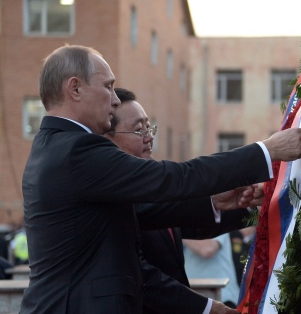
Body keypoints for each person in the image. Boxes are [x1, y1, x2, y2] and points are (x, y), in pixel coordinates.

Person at [20, 45, 301, 314]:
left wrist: (216, 201)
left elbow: (149, 211)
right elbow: (170, 178)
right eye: (108, 86)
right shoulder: (76, 150)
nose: (114, 99)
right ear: (75, 88)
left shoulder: (58, 147)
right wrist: (266, 151)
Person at [104, 88, 255, 314]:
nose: (149, 136)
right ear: (108, 140)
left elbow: (193, 219)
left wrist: (252, 205)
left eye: (149, 127)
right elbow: (140, 276)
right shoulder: (113, 197)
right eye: (138, 130)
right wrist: (207, 308)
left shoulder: (151, 190)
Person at [183, 234, 240, 308]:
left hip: (220, 299)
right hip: (195, 298)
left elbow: (207, 249)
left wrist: (177, 229)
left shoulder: (216, 222)